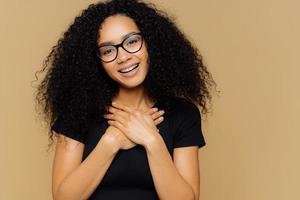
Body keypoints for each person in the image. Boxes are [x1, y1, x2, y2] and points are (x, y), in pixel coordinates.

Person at [34, 0, 216, 199]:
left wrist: (151, 140)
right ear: (96, 61)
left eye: (131, 41)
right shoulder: (78, 112)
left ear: (151, 42)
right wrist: (110, 142)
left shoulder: (182, 114)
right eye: (108, 50)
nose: (123, 57)